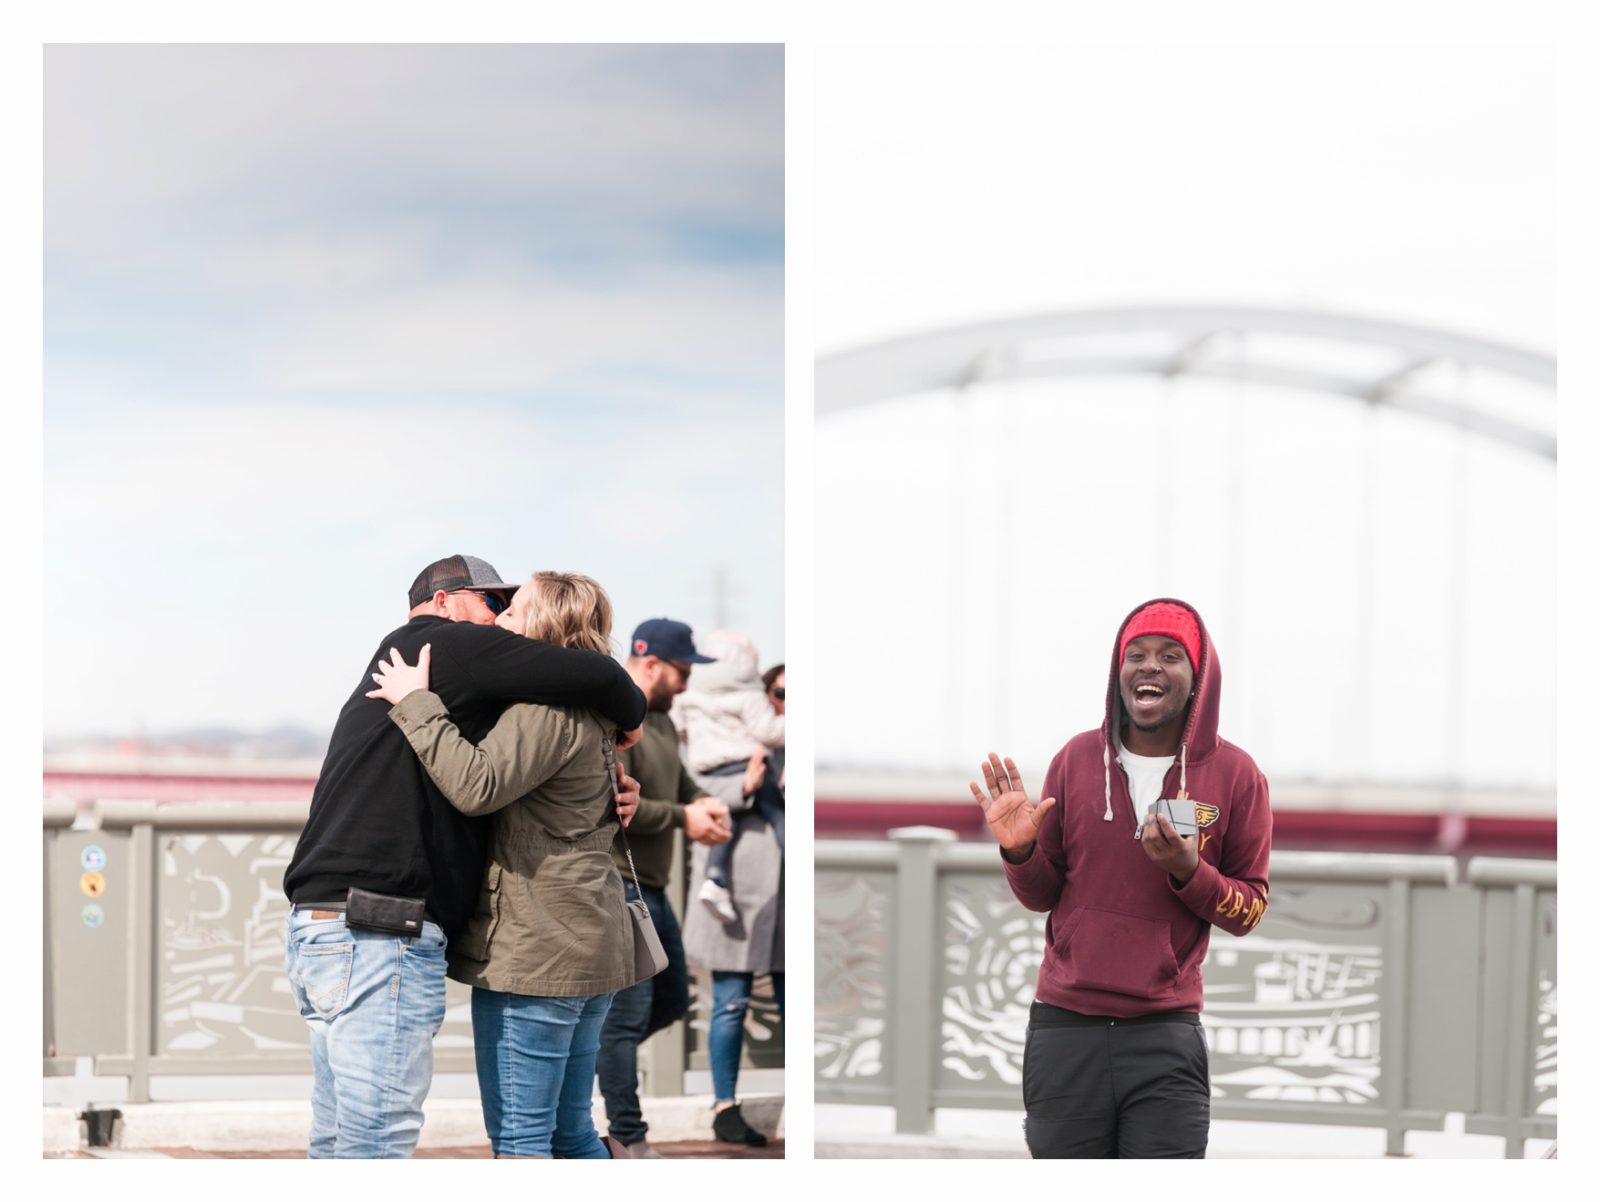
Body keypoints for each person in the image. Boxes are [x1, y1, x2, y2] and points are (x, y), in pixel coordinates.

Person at [281, 554, 646, 1159]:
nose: (498, 619)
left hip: (369, 924)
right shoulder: (443, 645)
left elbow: (483, 785)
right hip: (386, 926)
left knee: (355, 1134)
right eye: (491, 602)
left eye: (512, 608)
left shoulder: (518, 697)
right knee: (553, 1131)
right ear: (445, 601)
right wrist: (627, 716)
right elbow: (605, 684)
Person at [970, 598, 1270, 1159]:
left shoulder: (1238, 776)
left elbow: (1248, 910)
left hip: (1166, 1034)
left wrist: (1188, 870)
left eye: (1170, 656)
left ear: (1199, 679)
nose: (1150, 665)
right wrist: (1021, 850)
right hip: (1065, 1029)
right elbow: (1042, 897)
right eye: (1136, 655)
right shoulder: (1075, 760)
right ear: (1118, 671)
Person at [595, 618, 733, 1158]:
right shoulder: (615, 716)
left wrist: (706, 802)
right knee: (625, 1019)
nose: (687, 684)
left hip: (652, 887)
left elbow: (681, 784)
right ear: (651, 664)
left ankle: (597, 1053)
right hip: (619, 880)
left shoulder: (666, 724)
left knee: (672, 1000)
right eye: (682, 672)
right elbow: (617, 803)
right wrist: (685, 819)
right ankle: (629, 1135)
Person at [680, 631, 786, 1148]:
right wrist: (745, 787)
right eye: (780, 693)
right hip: (735, 888)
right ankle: (724, 1104)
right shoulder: (726, 727)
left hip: (786, 895)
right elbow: (692, 787)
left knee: (793, 1003)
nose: (785, 705)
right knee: (730, 1001)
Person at [673, 631, 785, 924]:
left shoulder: (689, 699)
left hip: (709, 764)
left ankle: (715, 879)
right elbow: (768, 731)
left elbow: (680, 729)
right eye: (781, 693)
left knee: (727, 817)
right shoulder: (749, 698)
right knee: (780, 817)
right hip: (744, 763)